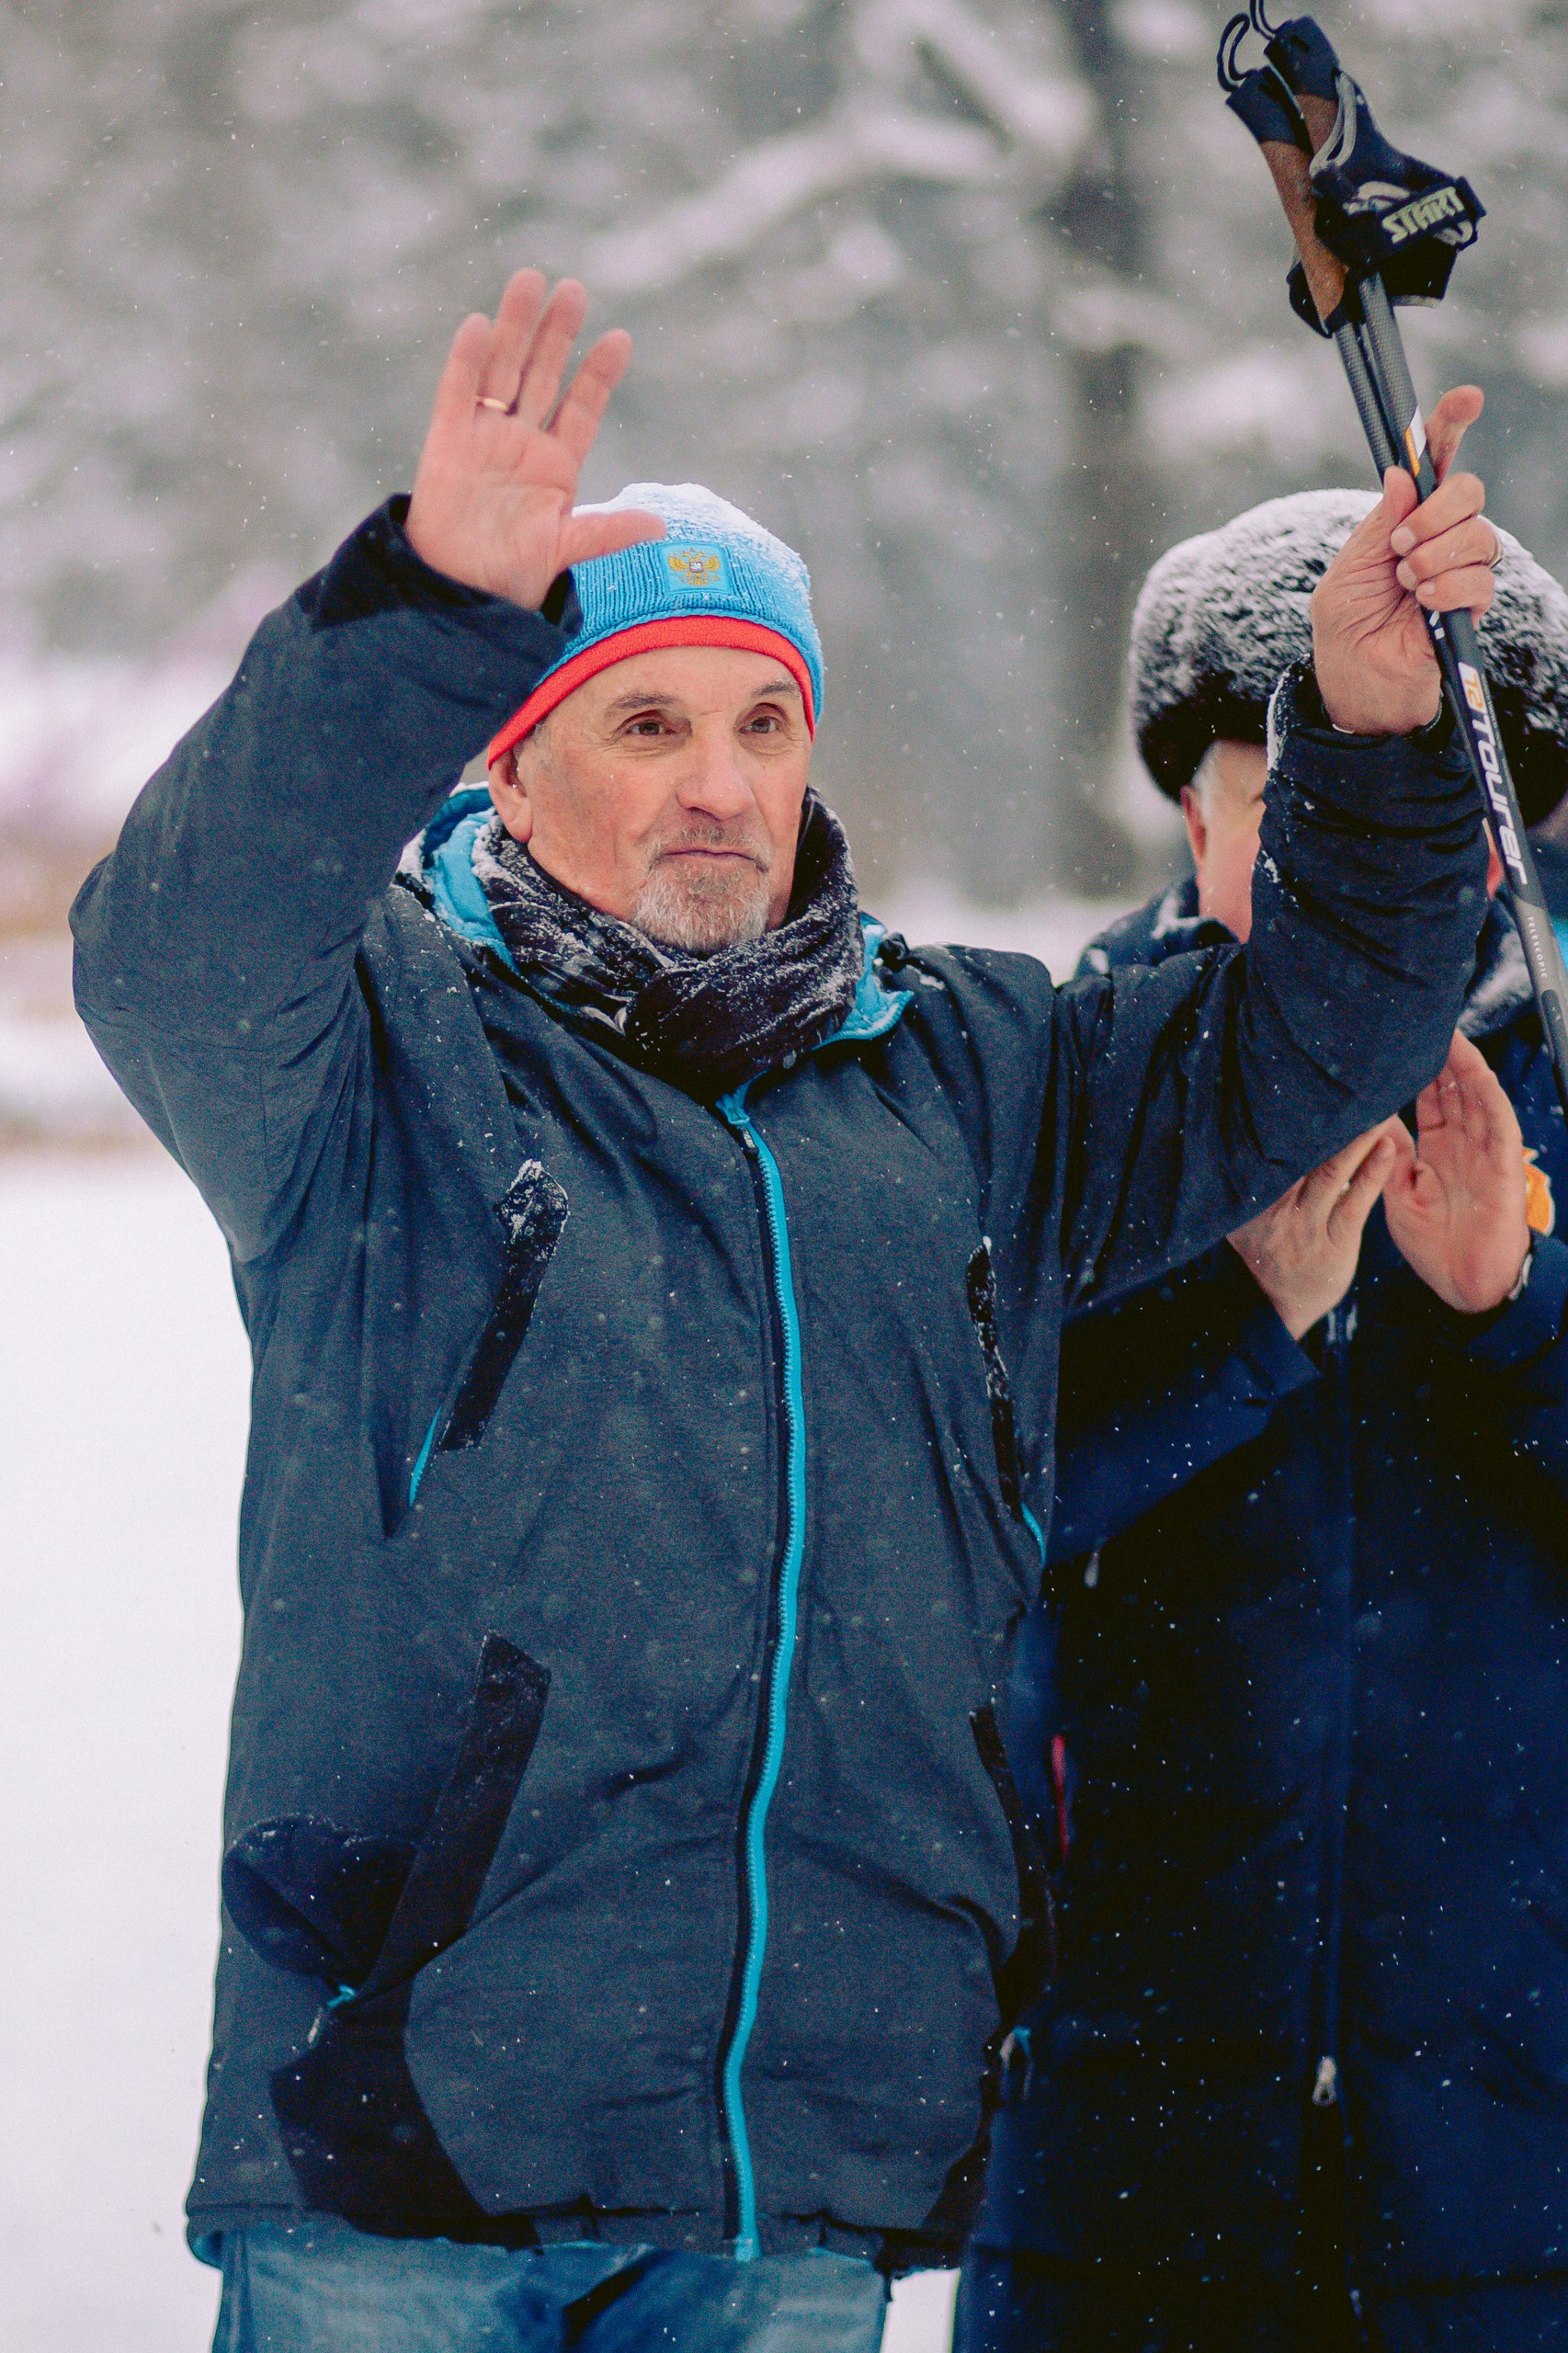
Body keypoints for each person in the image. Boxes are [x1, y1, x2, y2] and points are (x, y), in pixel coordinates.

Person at [74, 271, 1496, 2353]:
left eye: (762, 722)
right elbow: (174, 940)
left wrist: (1370, 730)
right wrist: (426, 605)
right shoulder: (378, 1059)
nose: (718, 783)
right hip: (408, 2143)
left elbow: (1319, 1034)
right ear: (521, 756)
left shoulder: (975, 1073)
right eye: (645, 721)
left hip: (797, 2162)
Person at [958, 466, 1568, 2353]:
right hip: (1118, 2162)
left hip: (1504, 2164)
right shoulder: (1053, 1104)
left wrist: (1505, 1317)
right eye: (1268, 801)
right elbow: (948, 1512)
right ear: (1188, 816)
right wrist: (1228, 1323)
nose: (1327, 856)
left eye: (1409, 804)